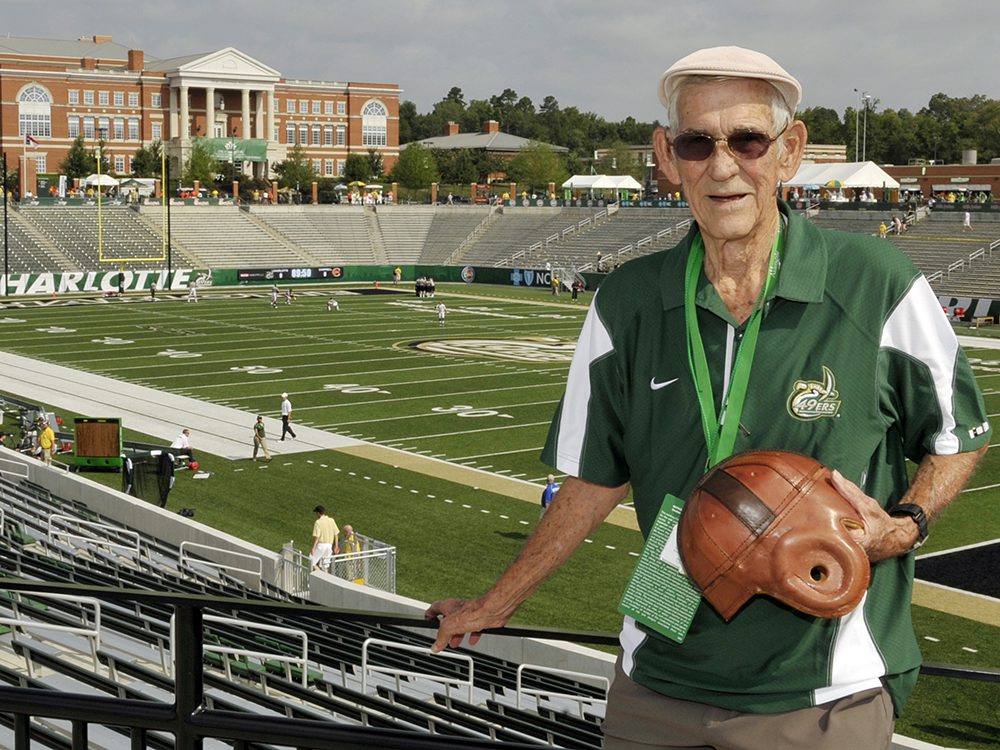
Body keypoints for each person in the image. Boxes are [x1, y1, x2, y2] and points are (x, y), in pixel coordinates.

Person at [426, 46, 990, 750]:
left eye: (748, 139)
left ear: (789, 151)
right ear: (666, 157)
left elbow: (958, 436)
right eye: (698, 142)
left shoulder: (875, 281)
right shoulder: (627, 301)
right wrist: (495, 602)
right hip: (656, 682)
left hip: (818, 695)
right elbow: (594, 479)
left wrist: (905, 525)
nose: (723, 166)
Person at [309, 505, 340, 571]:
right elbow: (336, 534)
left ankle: (319, 574)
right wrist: (336, 546)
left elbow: (317, 537)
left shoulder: (318, 522)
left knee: (311, 562)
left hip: (321, 545)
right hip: (329, 546)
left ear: (318, 513)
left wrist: (313, 548)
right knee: (325, 566)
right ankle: (324, 577)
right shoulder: (331, 520)